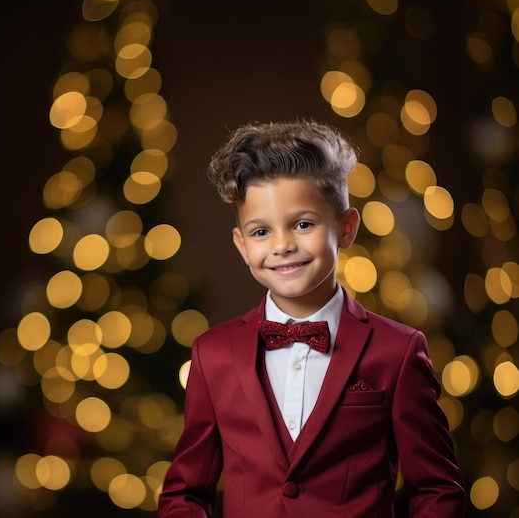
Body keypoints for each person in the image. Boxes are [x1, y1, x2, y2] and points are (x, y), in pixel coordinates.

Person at [158, 119, 465, 517]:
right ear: (241, 245)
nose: (283, 245)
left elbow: (437, 489)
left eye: (303, 224)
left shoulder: (399, 351)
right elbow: (184, 493)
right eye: (260, 232)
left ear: (347, 227)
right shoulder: (211, 354)